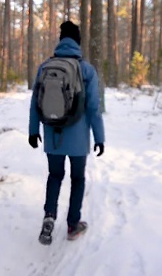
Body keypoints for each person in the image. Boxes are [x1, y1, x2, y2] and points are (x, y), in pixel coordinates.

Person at [28, 20, 105, 245]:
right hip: (79, 138)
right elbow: (93, 108)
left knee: (54, 176)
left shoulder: (45, 67)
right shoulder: (87, 69)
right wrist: (99, 137)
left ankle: (49, 216)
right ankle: (73, 225)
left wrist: (33, 131)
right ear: (78, 41)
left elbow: (35, 103)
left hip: (53, 135)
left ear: (61, 40)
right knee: (78, 179)